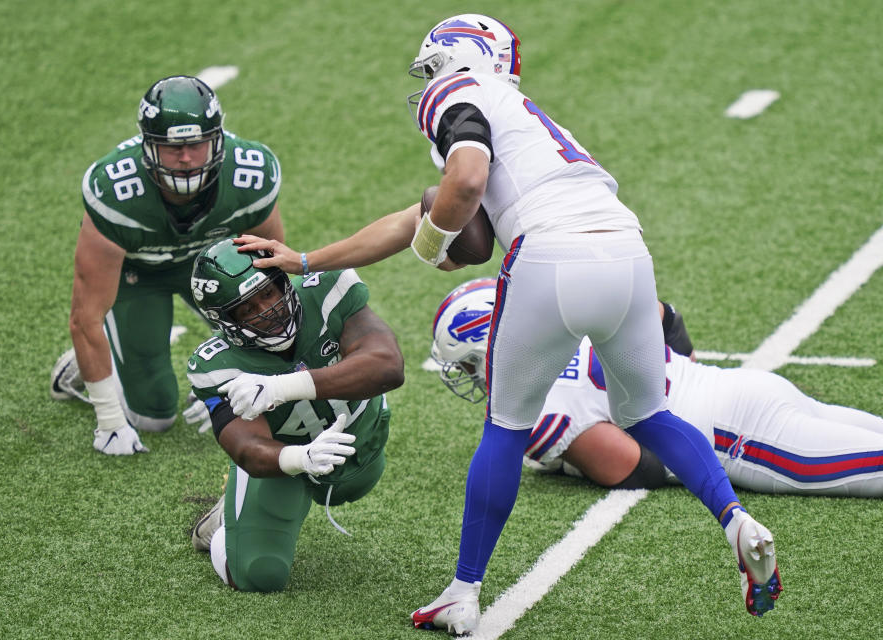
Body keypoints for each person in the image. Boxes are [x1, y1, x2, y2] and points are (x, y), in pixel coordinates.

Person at [233, 13, 781, 630]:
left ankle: (462, 590)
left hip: (549, 256)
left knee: (505, 426)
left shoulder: (457, 91)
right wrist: (308, 259)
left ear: (456, 55)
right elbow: (414, 216)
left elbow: (463, 182)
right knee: (649, 415)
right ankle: (736, 520)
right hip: (628, 253)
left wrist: (433, 245)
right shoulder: (530, 121)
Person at [433, 278, 883, 497]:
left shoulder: (538, 408)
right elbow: (668, 320)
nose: (475, 379)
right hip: (749, 387)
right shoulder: (576, 317)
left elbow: (637, 469)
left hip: (739, 438)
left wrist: (570, 463)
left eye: (470, 367)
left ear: (489, 347)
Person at [49, 75, 285, 455]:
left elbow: (273, 269)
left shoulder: (249, 176)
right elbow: (85, 316)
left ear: (217, 139)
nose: (187, 158)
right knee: (153, 416)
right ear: (147, 147)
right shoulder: (116, 192)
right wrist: (110, 419)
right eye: (172, 148)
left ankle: (212, 378)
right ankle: (88, 369)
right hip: (138, 275)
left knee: (268, 320)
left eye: (195, 144)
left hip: (213, 266)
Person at [185, 239, 404, 592]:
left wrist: (281, 388)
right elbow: (247, 449)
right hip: (283, 466)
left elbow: (387, 366)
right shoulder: (216, 364)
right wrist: (299, 457)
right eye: (247, 308)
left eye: (268, 293)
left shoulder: (325, 288)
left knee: (356, 481)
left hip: (364, 439)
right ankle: (226, 527)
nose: (267, 311)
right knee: (259, 575)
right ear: (223, 321)